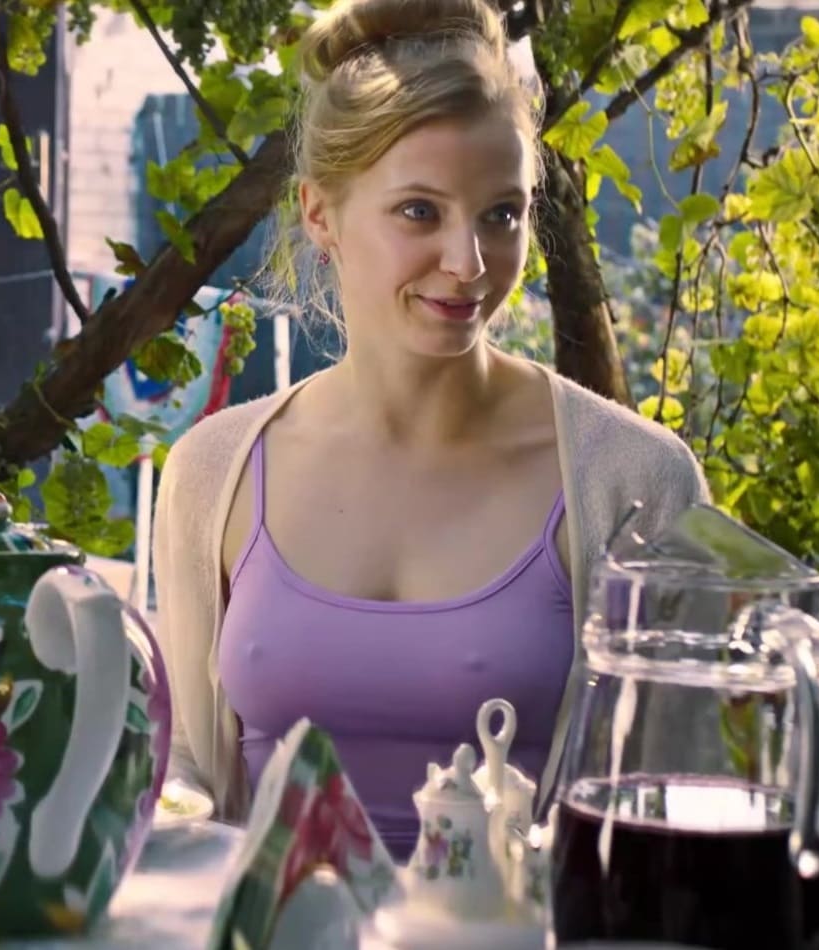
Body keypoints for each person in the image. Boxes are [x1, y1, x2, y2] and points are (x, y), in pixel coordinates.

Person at [152, 0, 708, 860]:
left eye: (501, 214)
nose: (468, 263)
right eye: (419, 211)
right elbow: (186, 765)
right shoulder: (211, 471)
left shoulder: (636, 484)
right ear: (319, 214)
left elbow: (675, 807)